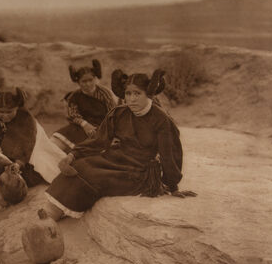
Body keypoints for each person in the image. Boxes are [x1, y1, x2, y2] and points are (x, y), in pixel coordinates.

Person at [43, 68, 196, 221]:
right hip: (118, 158)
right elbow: (98, 141)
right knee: (80, 165)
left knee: (94, 175)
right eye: (128, 94)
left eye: (137, 94)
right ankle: (50, 212)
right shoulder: (119, 113)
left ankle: (51, 217)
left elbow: (170, 154)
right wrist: (72, 155)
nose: (132, 99)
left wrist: (173, 185)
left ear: (148, 94)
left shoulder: (161, 119)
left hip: (140, 171)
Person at [0, 85, 65, 189]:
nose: (5, 115)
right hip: (6, 158)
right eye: (1, 112)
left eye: (9, 112)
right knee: (0, 178)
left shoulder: (26, 121)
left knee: (36, 175)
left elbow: (28, 144)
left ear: (17, 109)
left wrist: (18, 164)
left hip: (28, 158)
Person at [51, 59, 116, 153]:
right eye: (84, 81)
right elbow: (73, 114)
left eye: (91, 80)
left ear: (95, 79)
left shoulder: (105, 94)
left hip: (102, 127)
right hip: (81, 127)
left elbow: (113, 113)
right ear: (78, 82)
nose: (88, 84)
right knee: (56, 142)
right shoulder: (74, 96)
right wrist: (85, 124)